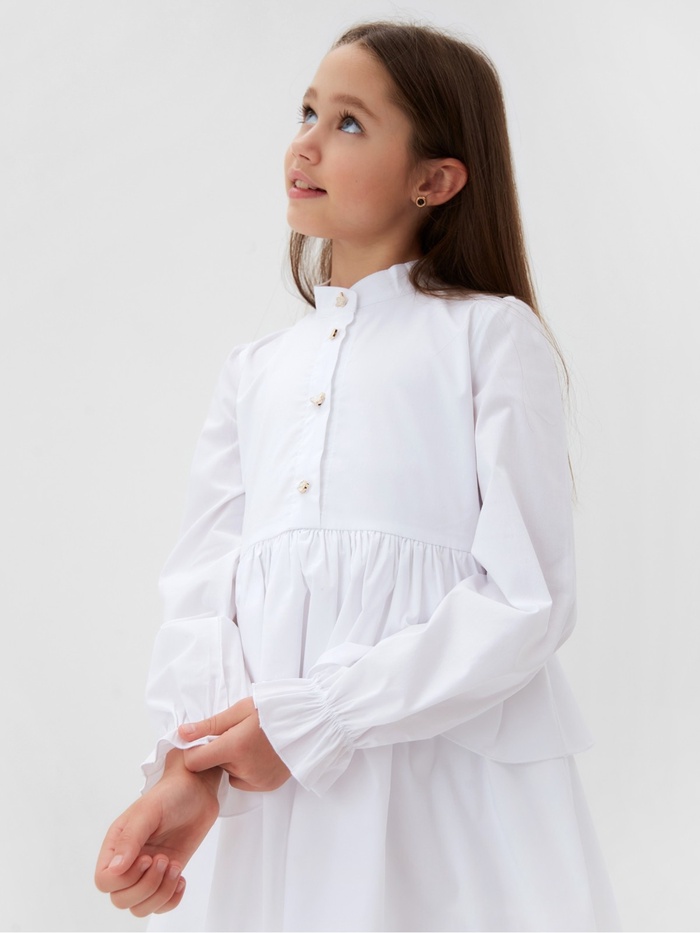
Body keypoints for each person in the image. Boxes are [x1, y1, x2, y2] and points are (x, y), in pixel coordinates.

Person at [94, 20, 620, 932]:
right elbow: (204, 588)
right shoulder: (254, 370)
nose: (304, 143)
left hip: (446, 778)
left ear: (435, 180)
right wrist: (191, 770)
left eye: (348, 122)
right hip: (277, 787)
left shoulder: (488, 336)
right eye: (307, 112)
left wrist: (325, 715)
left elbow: (526, 595)